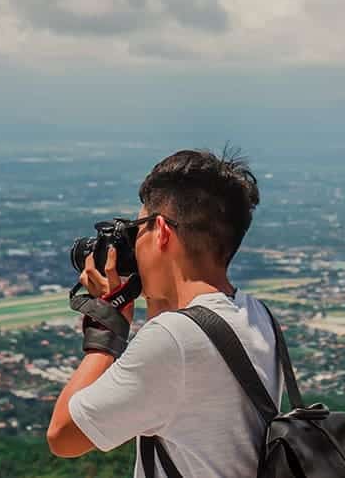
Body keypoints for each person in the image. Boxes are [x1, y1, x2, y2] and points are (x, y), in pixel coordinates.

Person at [47, 148, 278, 477]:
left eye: (138, 230)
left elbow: (63, 436)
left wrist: (106, 330)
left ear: (162, 231)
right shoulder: (258, 315)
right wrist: (152, 291)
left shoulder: (174, 340)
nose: (134, 244)